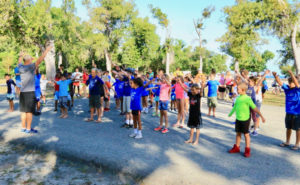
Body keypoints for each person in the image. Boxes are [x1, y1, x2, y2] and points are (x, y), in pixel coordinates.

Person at [18, 46, 52, 134]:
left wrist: (20, 56)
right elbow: (40, 59)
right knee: (29, 111)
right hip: (29, 92)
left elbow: (19, 62)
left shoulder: (20, 67)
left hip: (22, 92)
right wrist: (46, 50)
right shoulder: (30, 67)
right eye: (31, 60)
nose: (32, 61)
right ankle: (28, 128)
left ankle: (23, 127)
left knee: (23, 111)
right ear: (29, 61)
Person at [228, 82, 266, 157]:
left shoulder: (247, 98)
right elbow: (235, 107)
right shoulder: (238, 98)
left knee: (246, 134)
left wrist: (261, 116)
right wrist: (230, 114)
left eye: (238, 89)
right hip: (238, 118)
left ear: (242, 90)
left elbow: (254, 108)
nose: (237, 90)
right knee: (238, 133)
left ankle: (247, 150)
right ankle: (237, 148)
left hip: (245, 119)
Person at [273, 71, 300, 150]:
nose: (289, 84)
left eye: (291, 82)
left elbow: (296, 83)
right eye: (289, 82)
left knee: (297, 129)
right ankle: (287, 141)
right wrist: (275, 76)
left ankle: (297, 144)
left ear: (295, 83)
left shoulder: (297, 90)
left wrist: (292, 74)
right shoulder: (287, 89)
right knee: (288, 128)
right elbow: (280, 83)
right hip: (288, 112)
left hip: (297, 113)